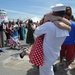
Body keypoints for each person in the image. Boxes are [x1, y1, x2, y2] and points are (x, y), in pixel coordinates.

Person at [20, 4, 71, 75]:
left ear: (53, 13)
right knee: (49, 69)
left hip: (46, 55)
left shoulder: (49, 25)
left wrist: (47, 19)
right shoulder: (66, 28)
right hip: (55, 54)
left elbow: (36, 32)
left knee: (44, 72)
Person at [60, 6, 75, 71]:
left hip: (62, 41)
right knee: (69, 56)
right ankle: (66, 66)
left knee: (61, 53)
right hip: (71, 43)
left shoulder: (60, 23)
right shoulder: (74, 24)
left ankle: (61, 62)